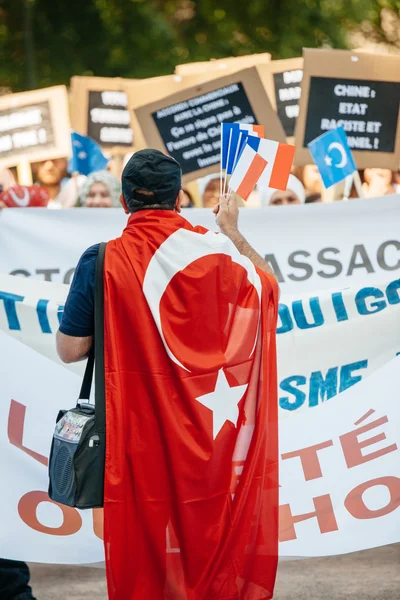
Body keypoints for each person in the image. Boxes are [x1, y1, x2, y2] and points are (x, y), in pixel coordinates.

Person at [56, 149, 279, 600]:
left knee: (144, 554)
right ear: (180, 198)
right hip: (208, 432)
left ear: (123, 202)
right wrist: (232, 231)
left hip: (133, 441)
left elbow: (69, 349)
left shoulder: (100, 260)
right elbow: (269, 289)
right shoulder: (217, 251)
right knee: (207, 536)